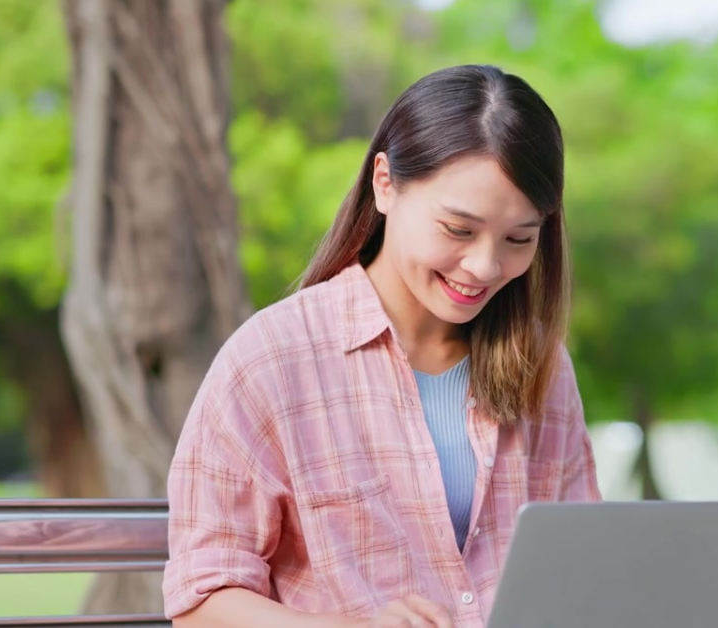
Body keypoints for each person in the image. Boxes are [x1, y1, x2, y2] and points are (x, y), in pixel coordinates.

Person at [162, 64, 601, 628]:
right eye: (458, 230)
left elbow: (583, 567)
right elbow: (200, 602)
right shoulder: (271, 360)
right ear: (385, 184)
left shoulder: (542, 364)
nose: (486, 266)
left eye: (520, 239)